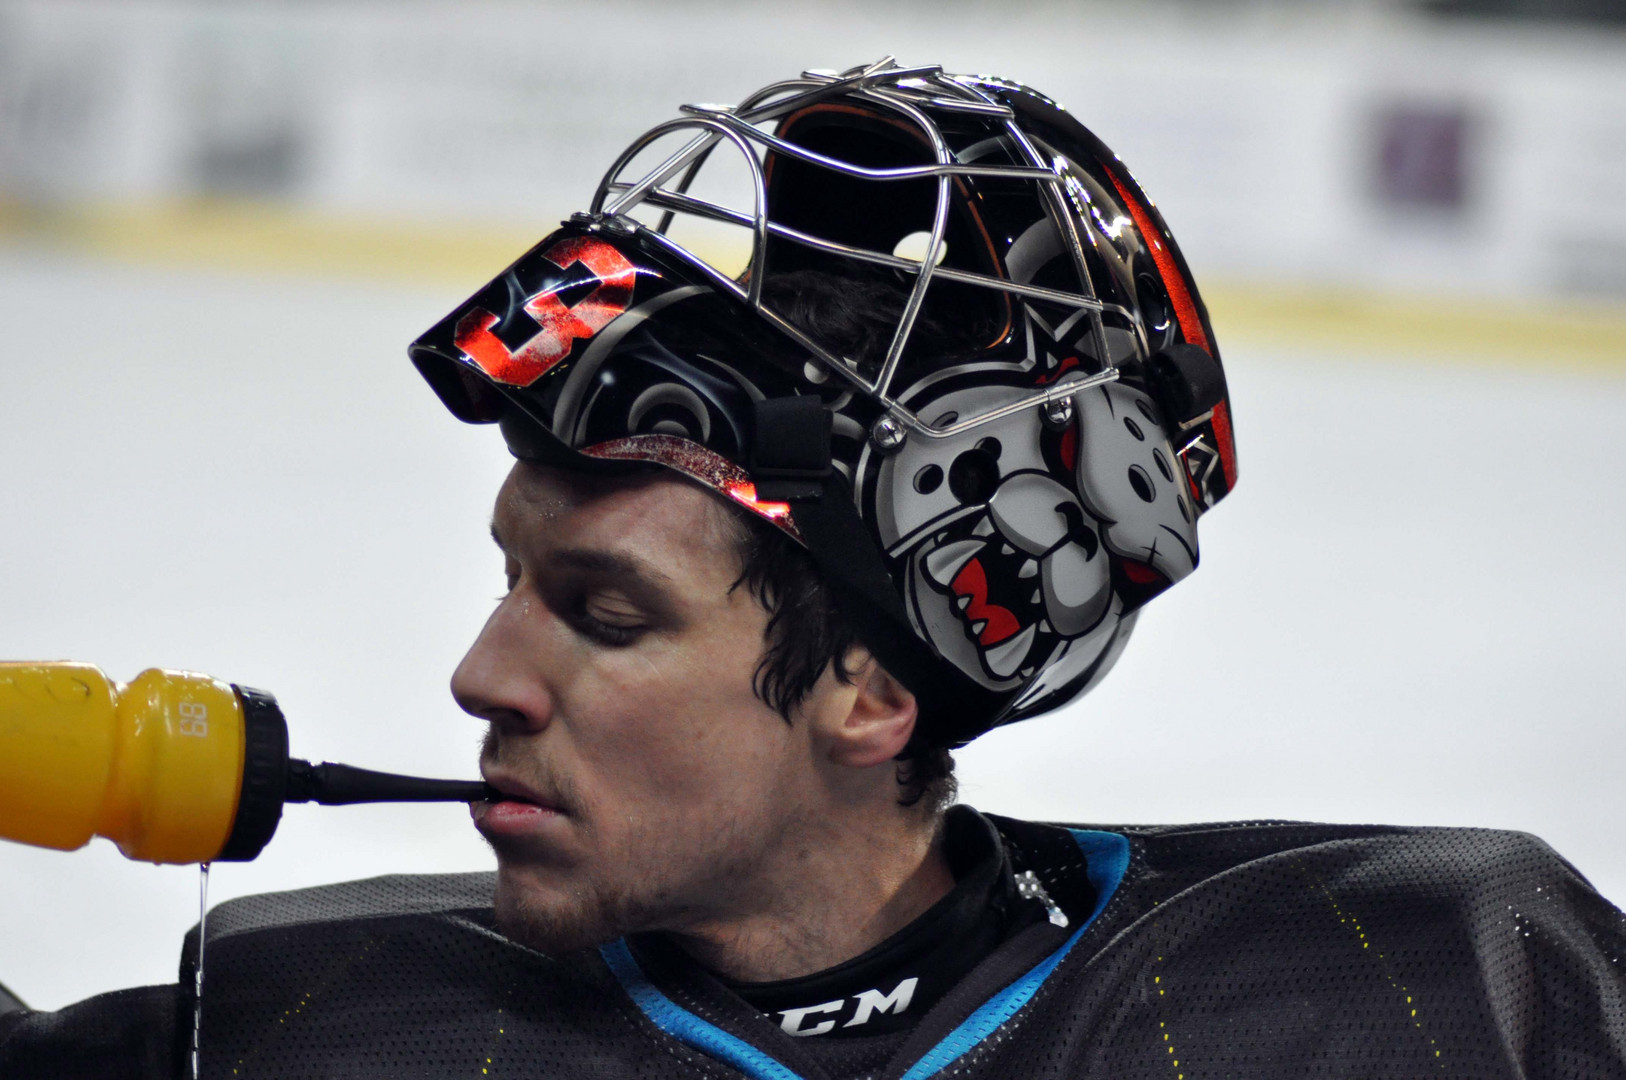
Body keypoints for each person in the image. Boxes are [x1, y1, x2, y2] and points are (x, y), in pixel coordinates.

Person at [4, 58, 1624, 1080]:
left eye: (606, 614)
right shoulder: (304, 1023)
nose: (481, 678)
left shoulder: (1449, 984)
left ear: (867, 692)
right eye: (513, 577)